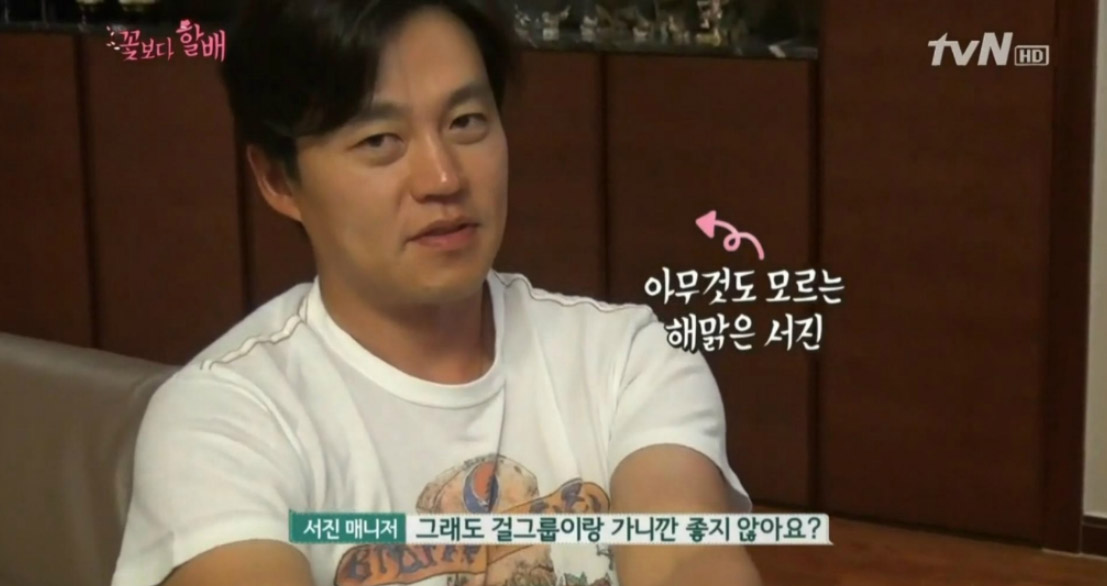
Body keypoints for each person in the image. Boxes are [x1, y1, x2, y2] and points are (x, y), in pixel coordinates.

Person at [110, 1, 761, 585]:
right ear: (279, 179)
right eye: (379, 141)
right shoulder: (225, 417)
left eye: (466, 121)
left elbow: (686, 559)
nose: (443, 177)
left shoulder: (625, 360)